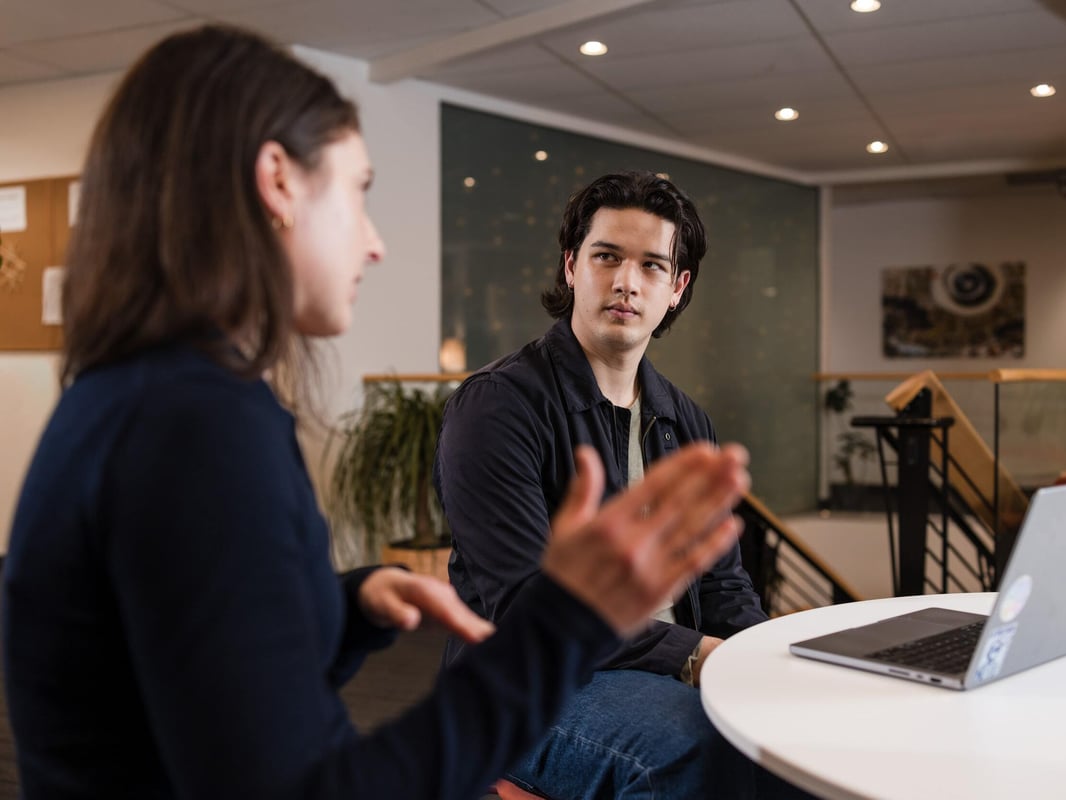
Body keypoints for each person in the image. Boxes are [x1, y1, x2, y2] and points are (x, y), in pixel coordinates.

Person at [0, 27, 754, 800]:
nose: (373, 243)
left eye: (651, 266)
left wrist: (343, 607)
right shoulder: (197, 427)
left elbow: (192, 673)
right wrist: (571, 618)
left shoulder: (154, 396)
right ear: (278, 182)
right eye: (357, 193)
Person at [436, 171, 802, 798]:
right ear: (572, 266)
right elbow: (526, 605)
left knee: (802, 734)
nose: (626, 282)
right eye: (607, 256)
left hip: (663, 671)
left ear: (676, 288)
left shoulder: (685, 420)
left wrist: (764, 659)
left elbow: (722, 584)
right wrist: (694, 656)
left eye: (652, 265)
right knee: (701, 751)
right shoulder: (498, 406)